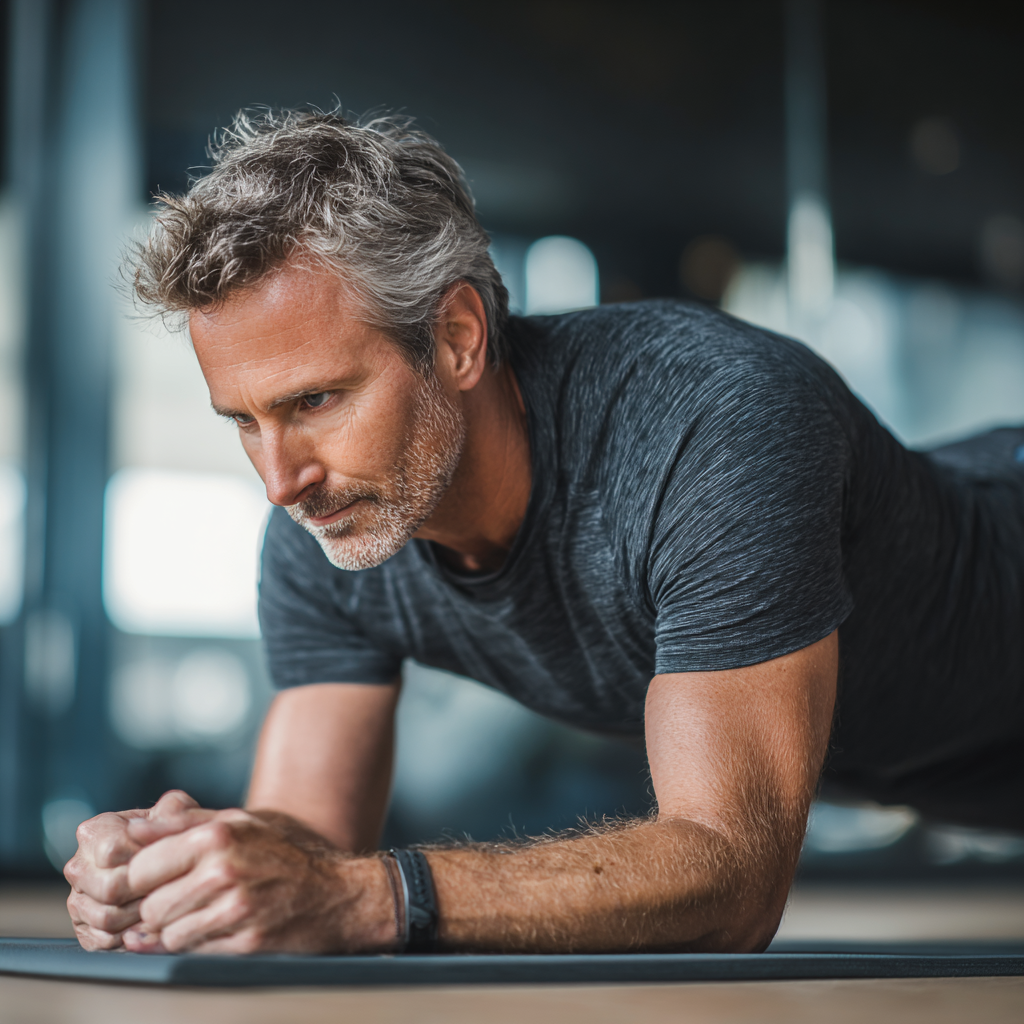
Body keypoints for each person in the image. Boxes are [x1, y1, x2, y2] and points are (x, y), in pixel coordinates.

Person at [66, 111, 1024, 957]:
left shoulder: (712, 423)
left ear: (457, 337)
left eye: (315, 400)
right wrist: (185, 875)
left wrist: (371, 895)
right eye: (242, 419)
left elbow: (734, 880)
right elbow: (304, 848)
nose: (279, 480)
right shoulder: (334, 525)